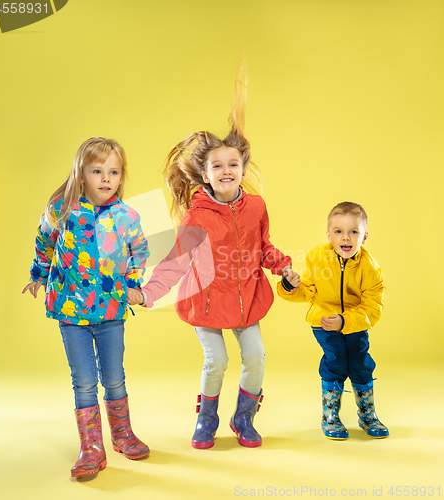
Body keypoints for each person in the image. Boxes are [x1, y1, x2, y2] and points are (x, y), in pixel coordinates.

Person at [141, 64, 300, 449]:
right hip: (206, 303)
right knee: (216, 361)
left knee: (256, 357)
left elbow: (263, 247)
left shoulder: (256, 206)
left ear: (243, 170)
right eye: (217, 166)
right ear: (205, 175)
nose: (226, 170)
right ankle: (206, 419)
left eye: (233, 164)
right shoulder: (196, 216)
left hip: (246, 298)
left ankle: (243, 417)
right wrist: (146, 294)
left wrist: (285, 268)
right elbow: (175, 262)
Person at [22, 137, 150, 478]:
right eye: (97, 171)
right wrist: (37, 275)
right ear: (82, 173)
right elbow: (44, 243)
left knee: (115, 378)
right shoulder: (61, 208)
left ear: (122, 177)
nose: (106, 179)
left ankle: (122, 435)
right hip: (70, 311)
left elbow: (140, 252)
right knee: (84, 383)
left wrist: (135, 285)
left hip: (111, 312)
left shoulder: (127, 216)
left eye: (113, 172)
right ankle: (92, 448)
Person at [278, 202, 389, 440]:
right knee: (336, 359)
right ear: (329, 235)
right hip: (324, 322)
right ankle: (330, 415)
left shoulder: (371, 268)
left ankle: (367, 413)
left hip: (355, 324)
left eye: (353, 232)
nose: (346, 237)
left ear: (364, 236)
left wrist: (345, 320)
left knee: (360, 362)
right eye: (338, 231)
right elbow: (307, 291)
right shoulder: (317, 257)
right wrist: (290, 286)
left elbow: (372, 308)